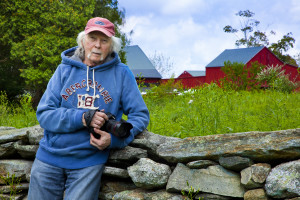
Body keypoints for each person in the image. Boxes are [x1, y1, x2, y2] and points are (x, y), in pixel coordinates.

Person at [28, 17, 150, 200]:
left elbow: (140, 115)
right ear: (83, 41)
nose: (97, 45)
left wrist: (115, 141)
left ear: (112, 45)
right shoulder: (64, 70)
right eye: (92, 38)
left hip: (89, 162)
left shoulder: (122, 73)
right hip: (49, 158)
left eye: (104, 40)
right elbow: (45, 113)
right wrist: (83, 118)